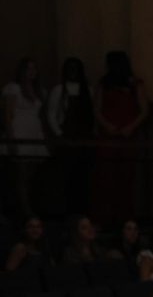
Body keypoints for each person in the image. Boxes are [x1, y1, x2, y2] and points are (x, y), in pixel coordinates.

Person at [92, 51, 146, 226]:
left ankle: (124, 218)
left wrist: (130, 127)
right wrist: (107, 126)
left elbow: (144, 110)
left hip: (126, 137)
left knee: (125, 179)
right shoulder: (104, 84)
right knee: (106, 179)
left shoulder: (134, 84)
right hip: (108, 137)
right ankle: (106, 218)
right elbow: (97, 109)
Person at [45, 58, 95, 215]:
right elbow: (51, 114)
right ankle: (65, 210)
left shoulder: (88, 90)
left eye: (76, 68)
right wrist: (59, 134)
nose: (73, 72)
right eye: (70, 68)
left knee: (82, 176)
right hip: (66, 136)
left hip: (83, 137)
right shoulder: (59, 90)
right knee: (65, 176)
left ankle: (81, 210)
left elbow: (91, 115)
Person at [3, 57, 47, 216]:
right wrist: (11, 138)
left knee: (32, 175)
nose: (32, 72)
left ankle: (31, 207)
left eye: (34, 68)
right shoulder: (13, 88)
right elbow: (8, 115)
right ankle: (25, 211)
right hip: (19, 131)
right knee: (21, 175)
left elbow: (41, 116)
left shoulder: (39, 90)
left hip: (35, 132)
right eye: (28, 68)